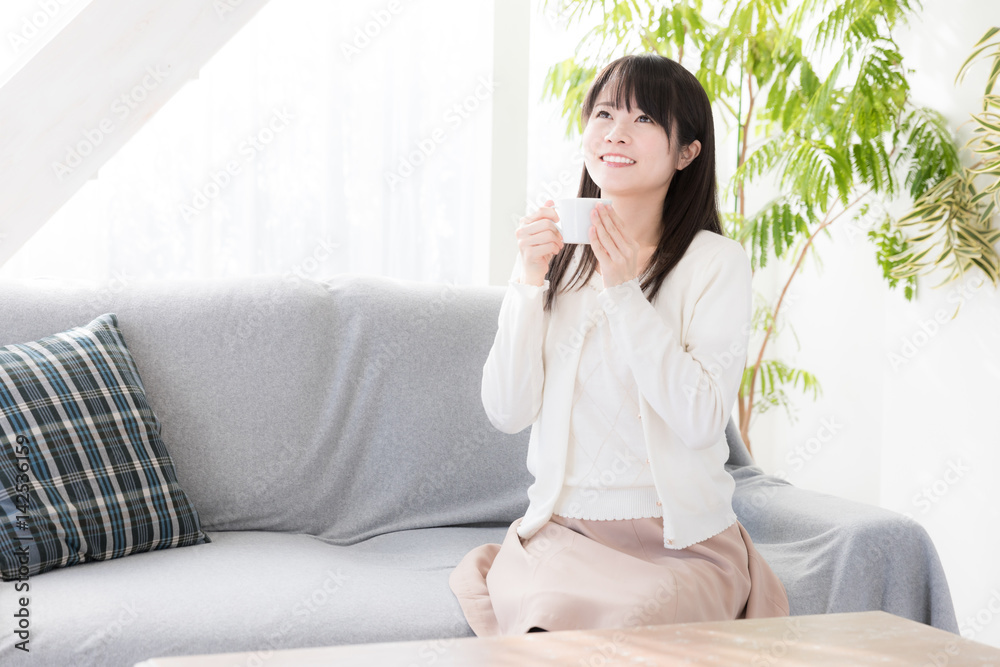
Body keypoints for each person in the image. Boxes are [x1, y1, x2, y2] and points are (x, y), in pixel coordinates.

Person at [449, 53, 790, 636]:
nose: (615, 132)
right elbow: (506, 411)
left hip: (681, 541)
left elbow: (701, 420)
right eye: (604, 113)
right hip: (565, 534)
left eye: (643, 120)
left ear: (687, 152)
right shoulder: (553, 257)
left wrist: (625, 291)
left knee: (635, 626)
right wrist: (528, 284)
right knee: (548, 620)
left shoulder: (715, 263)